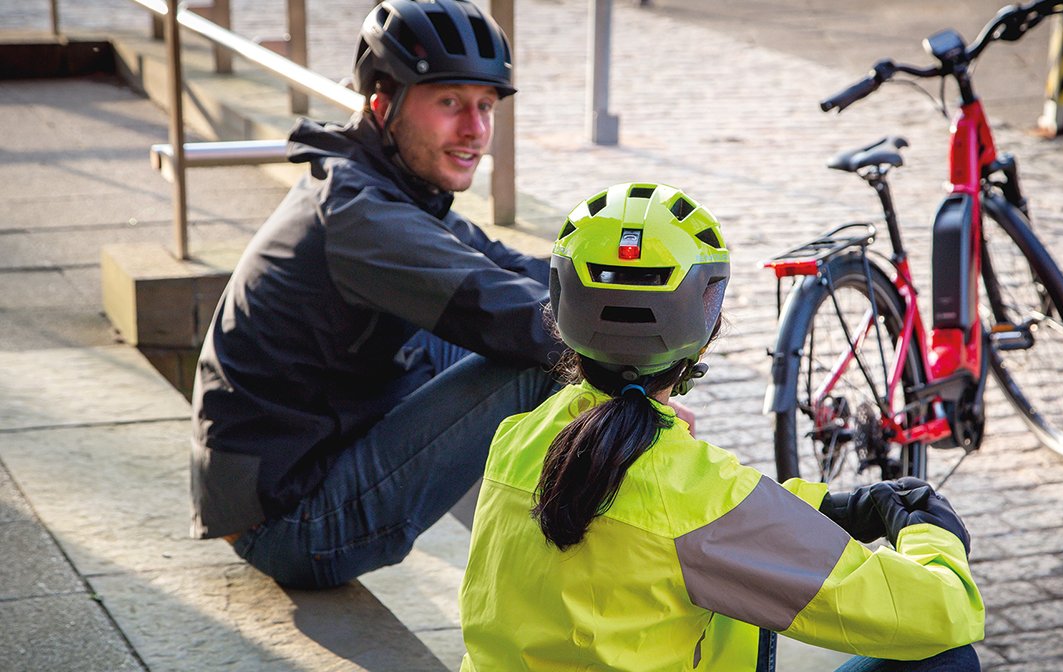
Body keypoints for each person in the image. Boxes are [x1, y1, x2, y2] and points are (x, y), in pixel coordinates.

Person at [458, 183, 985, 671]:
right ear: (705, 324)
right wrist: (934, 537)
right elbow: (941, 612)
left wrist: (826, 510)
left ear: (562, 305)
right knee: (947, 659)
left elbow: (684, 523)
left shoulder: (517, 438)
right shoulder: (697, 497)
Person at [189, 0, 560, 589]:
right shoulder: (363, 216)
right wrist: (646, 361)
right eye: (449, 103)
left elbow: (504, 264)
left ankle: (530, 527)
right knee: (551, 364)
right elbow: (509, 312)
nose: (475, 130)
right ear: (382, 102)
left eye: (486, 106)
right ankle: (563, 568)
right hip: (290, 521)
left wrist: (619, 274)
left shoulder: (382, 182)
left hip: (309, 452)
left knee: (557, 349)